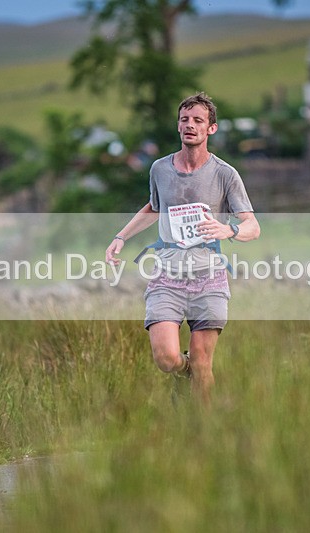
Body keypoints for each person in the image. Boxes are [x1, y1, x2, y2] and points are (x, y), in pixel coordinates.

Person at [105, 92, 260, 405]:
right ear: (178, 126)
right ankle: (182, 370)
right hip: (168, 277)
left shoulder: (225, 174)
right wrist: (121, 237)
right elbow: (153, 207)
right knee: (166, 358)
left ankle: (202, 435)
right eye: (185, 120)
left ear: (210, 129)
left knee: (204, 364)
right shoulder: (160, 170)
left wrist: (227, 229)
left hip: (209, 279)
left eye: (198, 121)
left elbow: (252, 226)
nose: (190, 125)